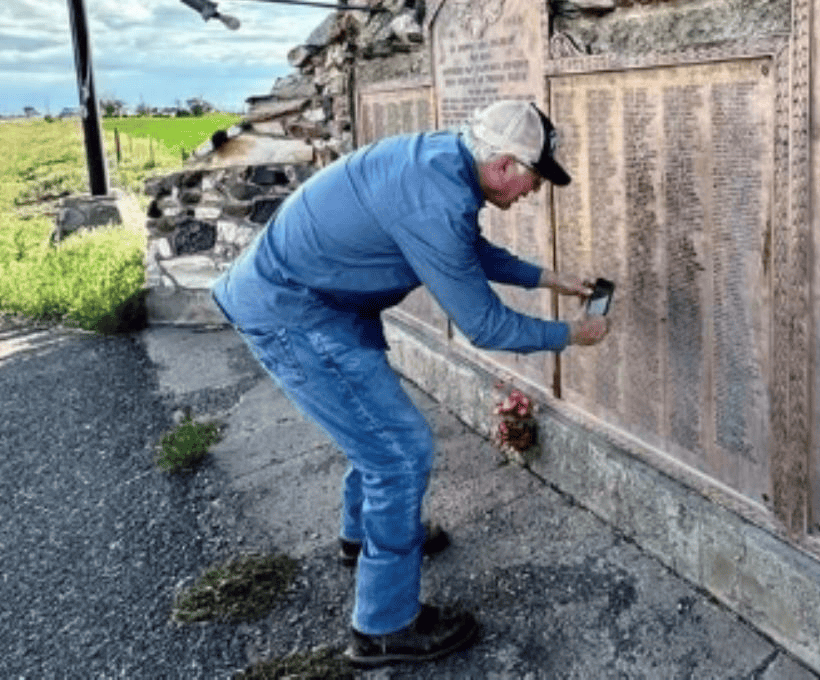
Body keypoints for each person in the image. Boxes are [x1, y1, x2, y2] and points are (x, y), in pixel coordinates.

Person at [211, 99, 610, 668]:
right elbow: (485, 325)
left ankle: (360, 540)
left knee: (372, 435)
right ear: (503, 167)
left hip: (314, 302)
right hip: (296, 315)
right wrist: (571, 334)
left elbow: (465, 251)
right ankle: (384, 626)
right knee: (399, 454)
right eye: (533, 180)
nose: (532, 193)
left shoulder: (446, 160)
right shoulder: (437, 198)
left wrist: (548, 278)